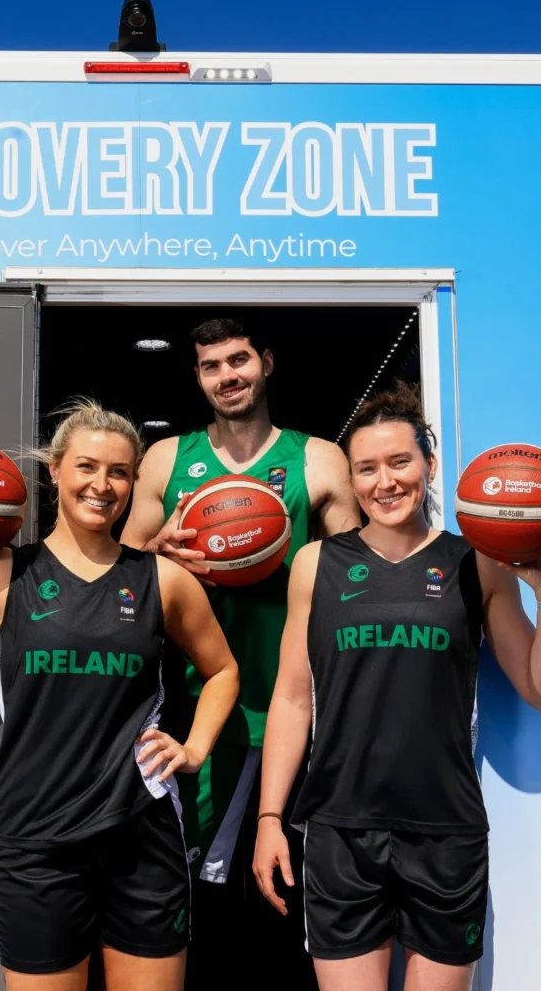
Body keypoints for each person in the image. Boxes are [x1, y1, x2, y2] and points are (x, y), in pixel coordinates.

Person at [0, 399, 239, 991]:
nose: (102, 485)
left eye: (119, 472)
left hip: (140, 836)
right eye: (86, 467)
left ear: (134, 481)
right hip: (34, 844)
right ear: (54, 472)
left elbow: (222, 670)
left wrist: (195, 747)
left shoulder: (162, 579)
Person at [253, 382, 541, 991]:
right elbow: (293, 698)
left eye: (400, 462)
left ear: (429, 465)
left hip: (445, 830)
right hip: (341, 830)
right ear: (352, 479)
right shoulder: (316, 564)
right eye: (366, 468)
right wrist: (270, 816)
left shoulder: (477, 562)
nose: (385, 482)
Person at [121, 317, 359, 984]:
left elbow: (356, 573)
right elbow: (120, 573)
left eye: (238, 360)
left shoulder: (318, 459)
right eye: (211, 366)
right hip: (200, 702)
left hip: (298, 701)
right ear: (197, 378)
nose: (227, 375)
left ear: (266, 363)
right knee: (198, 885)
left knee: (291, 882)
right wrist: (157, 551)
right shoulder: (167, 459)